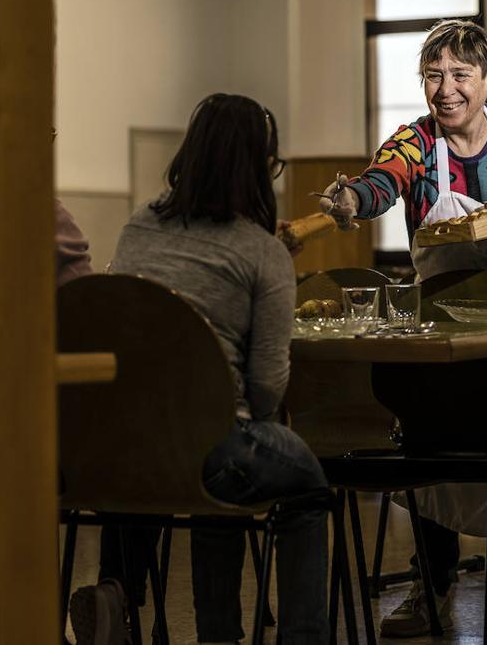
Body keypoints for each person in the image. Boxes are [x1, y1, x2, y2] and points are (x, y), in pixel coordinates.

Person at [320, 19, 487, 637]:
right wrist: (352, 200)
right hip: (440, 332)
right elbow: (384, 183)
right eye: (434, 75)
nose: (447, 89)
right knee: (428, 452)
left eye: (461, 74)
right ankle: (429, 590)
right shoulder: (414, 143)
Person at [109, 94, 328, 645]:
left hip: (118, 451)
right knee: (300, 479)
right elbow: (265, 389)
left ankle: (119, 598)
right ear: (259, 167)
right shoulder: (262, 253)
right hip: (210, 452)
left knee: (227, 471)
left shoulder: (139, 225)